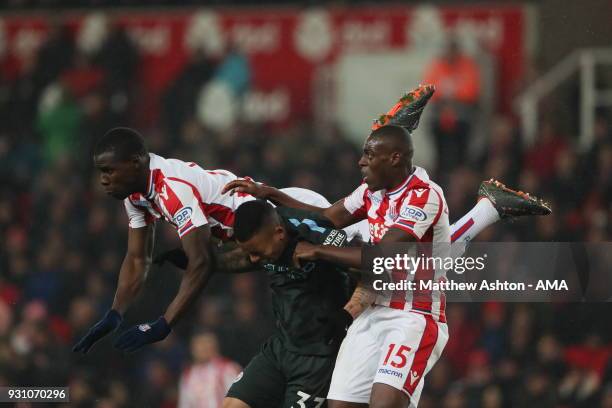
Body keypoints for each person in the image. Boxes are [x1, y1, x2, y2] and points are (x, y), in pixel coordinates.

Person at [222, 88, 551, 407]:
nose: (360, 163)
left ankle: (487, 208)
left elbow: (380, 258)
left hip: (413, 315)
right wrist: (270, 193)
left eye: (368, 155)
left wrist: (319, 251)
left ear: (394, 158)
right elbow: (326, 217)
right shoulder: (371, 191)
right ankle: (488, 207)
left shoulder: (424, 195)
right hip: (373, 311)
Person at [72, 126, 365, 355]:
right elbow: (137, 259)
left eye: (109, 170)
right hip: (260, 240)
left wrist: (164, 325)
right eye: (101, 172)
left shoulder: (172, 189)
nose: (103, 179)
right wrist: (115, 313)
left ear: (135, 163)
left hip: (286, 219)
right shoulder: (136, 196)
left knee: (373, 263)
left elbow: (202, 263)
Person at [178, 331, 242, 408]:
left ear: (214, 347)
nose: (202, 348)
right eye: (199, 344)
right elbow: (185, 404)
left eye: (206, 344)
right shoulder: (188, 374)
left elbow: (237, 400)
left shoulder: (227, 368)